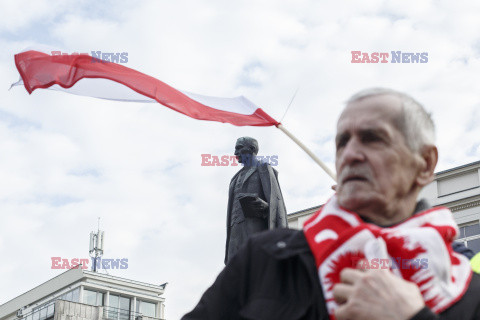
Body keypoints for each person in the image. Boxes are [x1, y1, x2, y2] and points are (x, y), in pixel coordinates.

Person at [182, 88, 480, 320]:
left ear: (426, 164)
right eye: (342, 142)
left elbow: (272, 204)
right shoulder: (265, 260)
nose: (350, 154)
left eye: (373, 139)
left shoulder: (468, 286)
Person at [225, 137, 287, 264]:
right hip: (234, 233)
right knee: (234, 270)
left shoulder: (263, 168)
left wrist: (264, 206)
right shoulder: (234, 178)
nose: (235, 153)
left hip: (255, 229)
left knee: (255, 266)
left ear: (252, 149)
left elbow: (276, 203)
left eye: (239, 148)